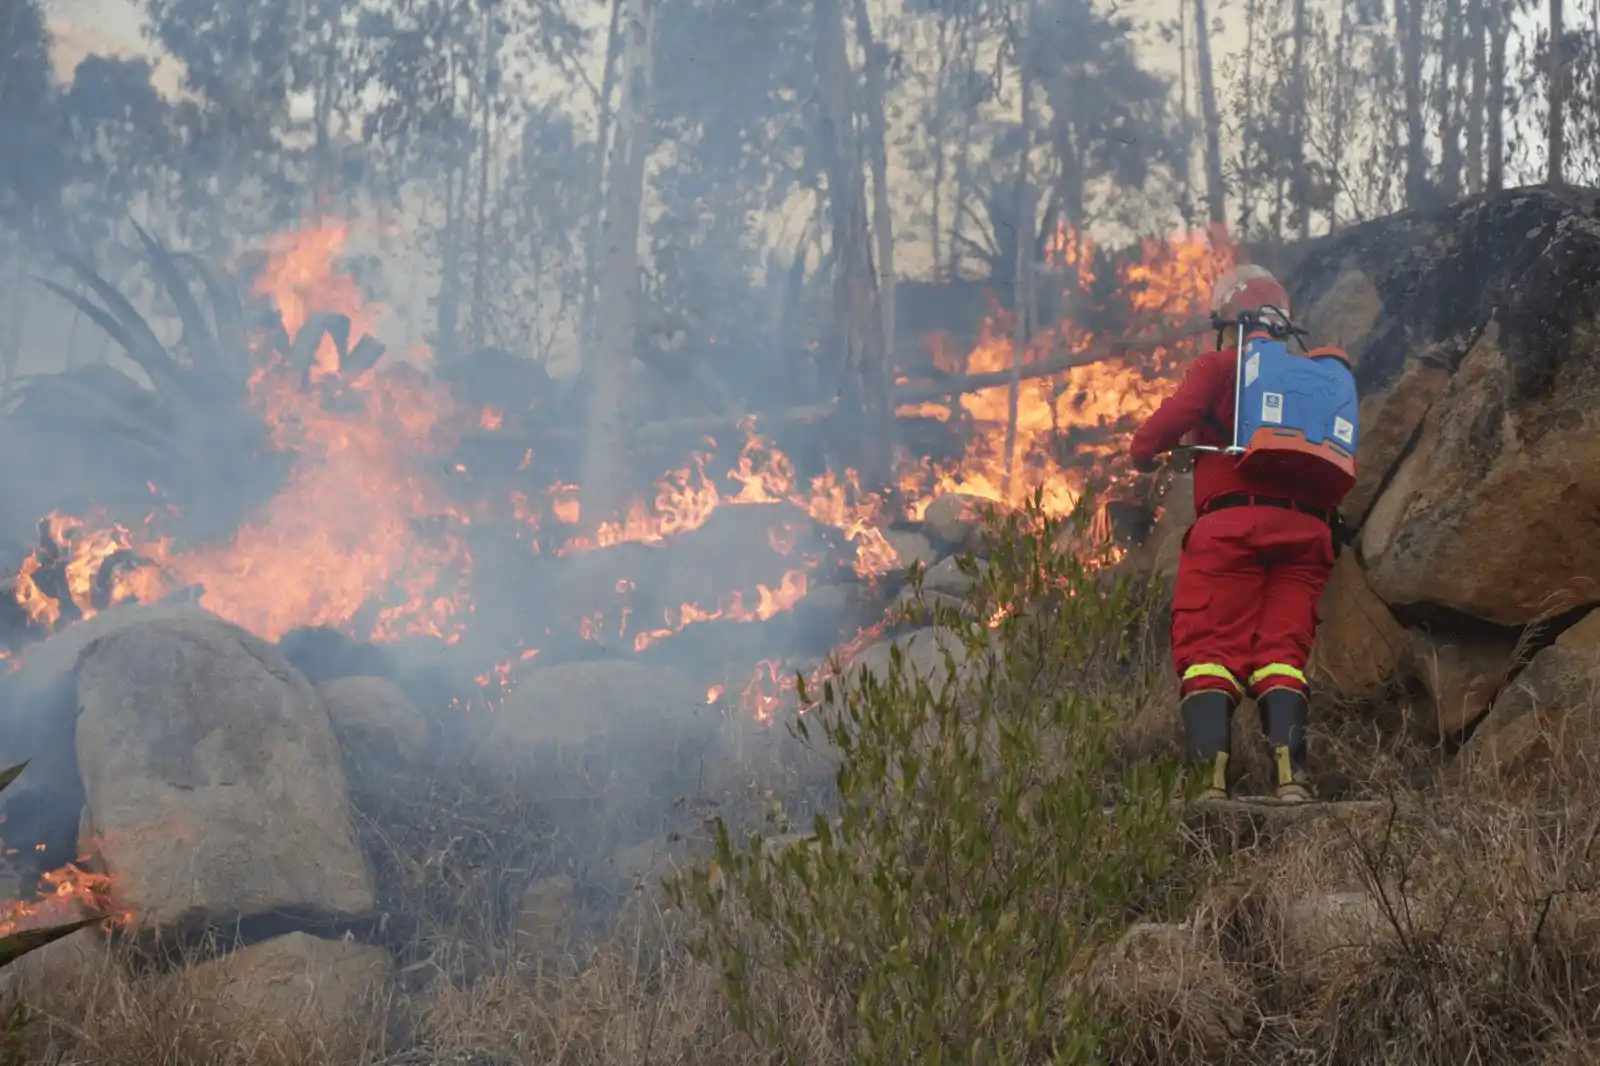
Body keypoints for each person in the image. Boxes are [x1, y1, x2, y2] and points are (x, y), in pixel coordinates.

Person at [1129, 265, 1348, 804]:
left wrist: (1144, 453)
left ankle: (1210, 785)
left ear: (1231, 321)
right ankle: (1292, 781)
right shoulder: (1311, 381)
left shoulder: (1221, 365)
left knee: (1209, 650)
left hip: (1232, 529)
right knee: (1282, 654)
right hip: (1305, 535)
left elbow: (1166, 424)